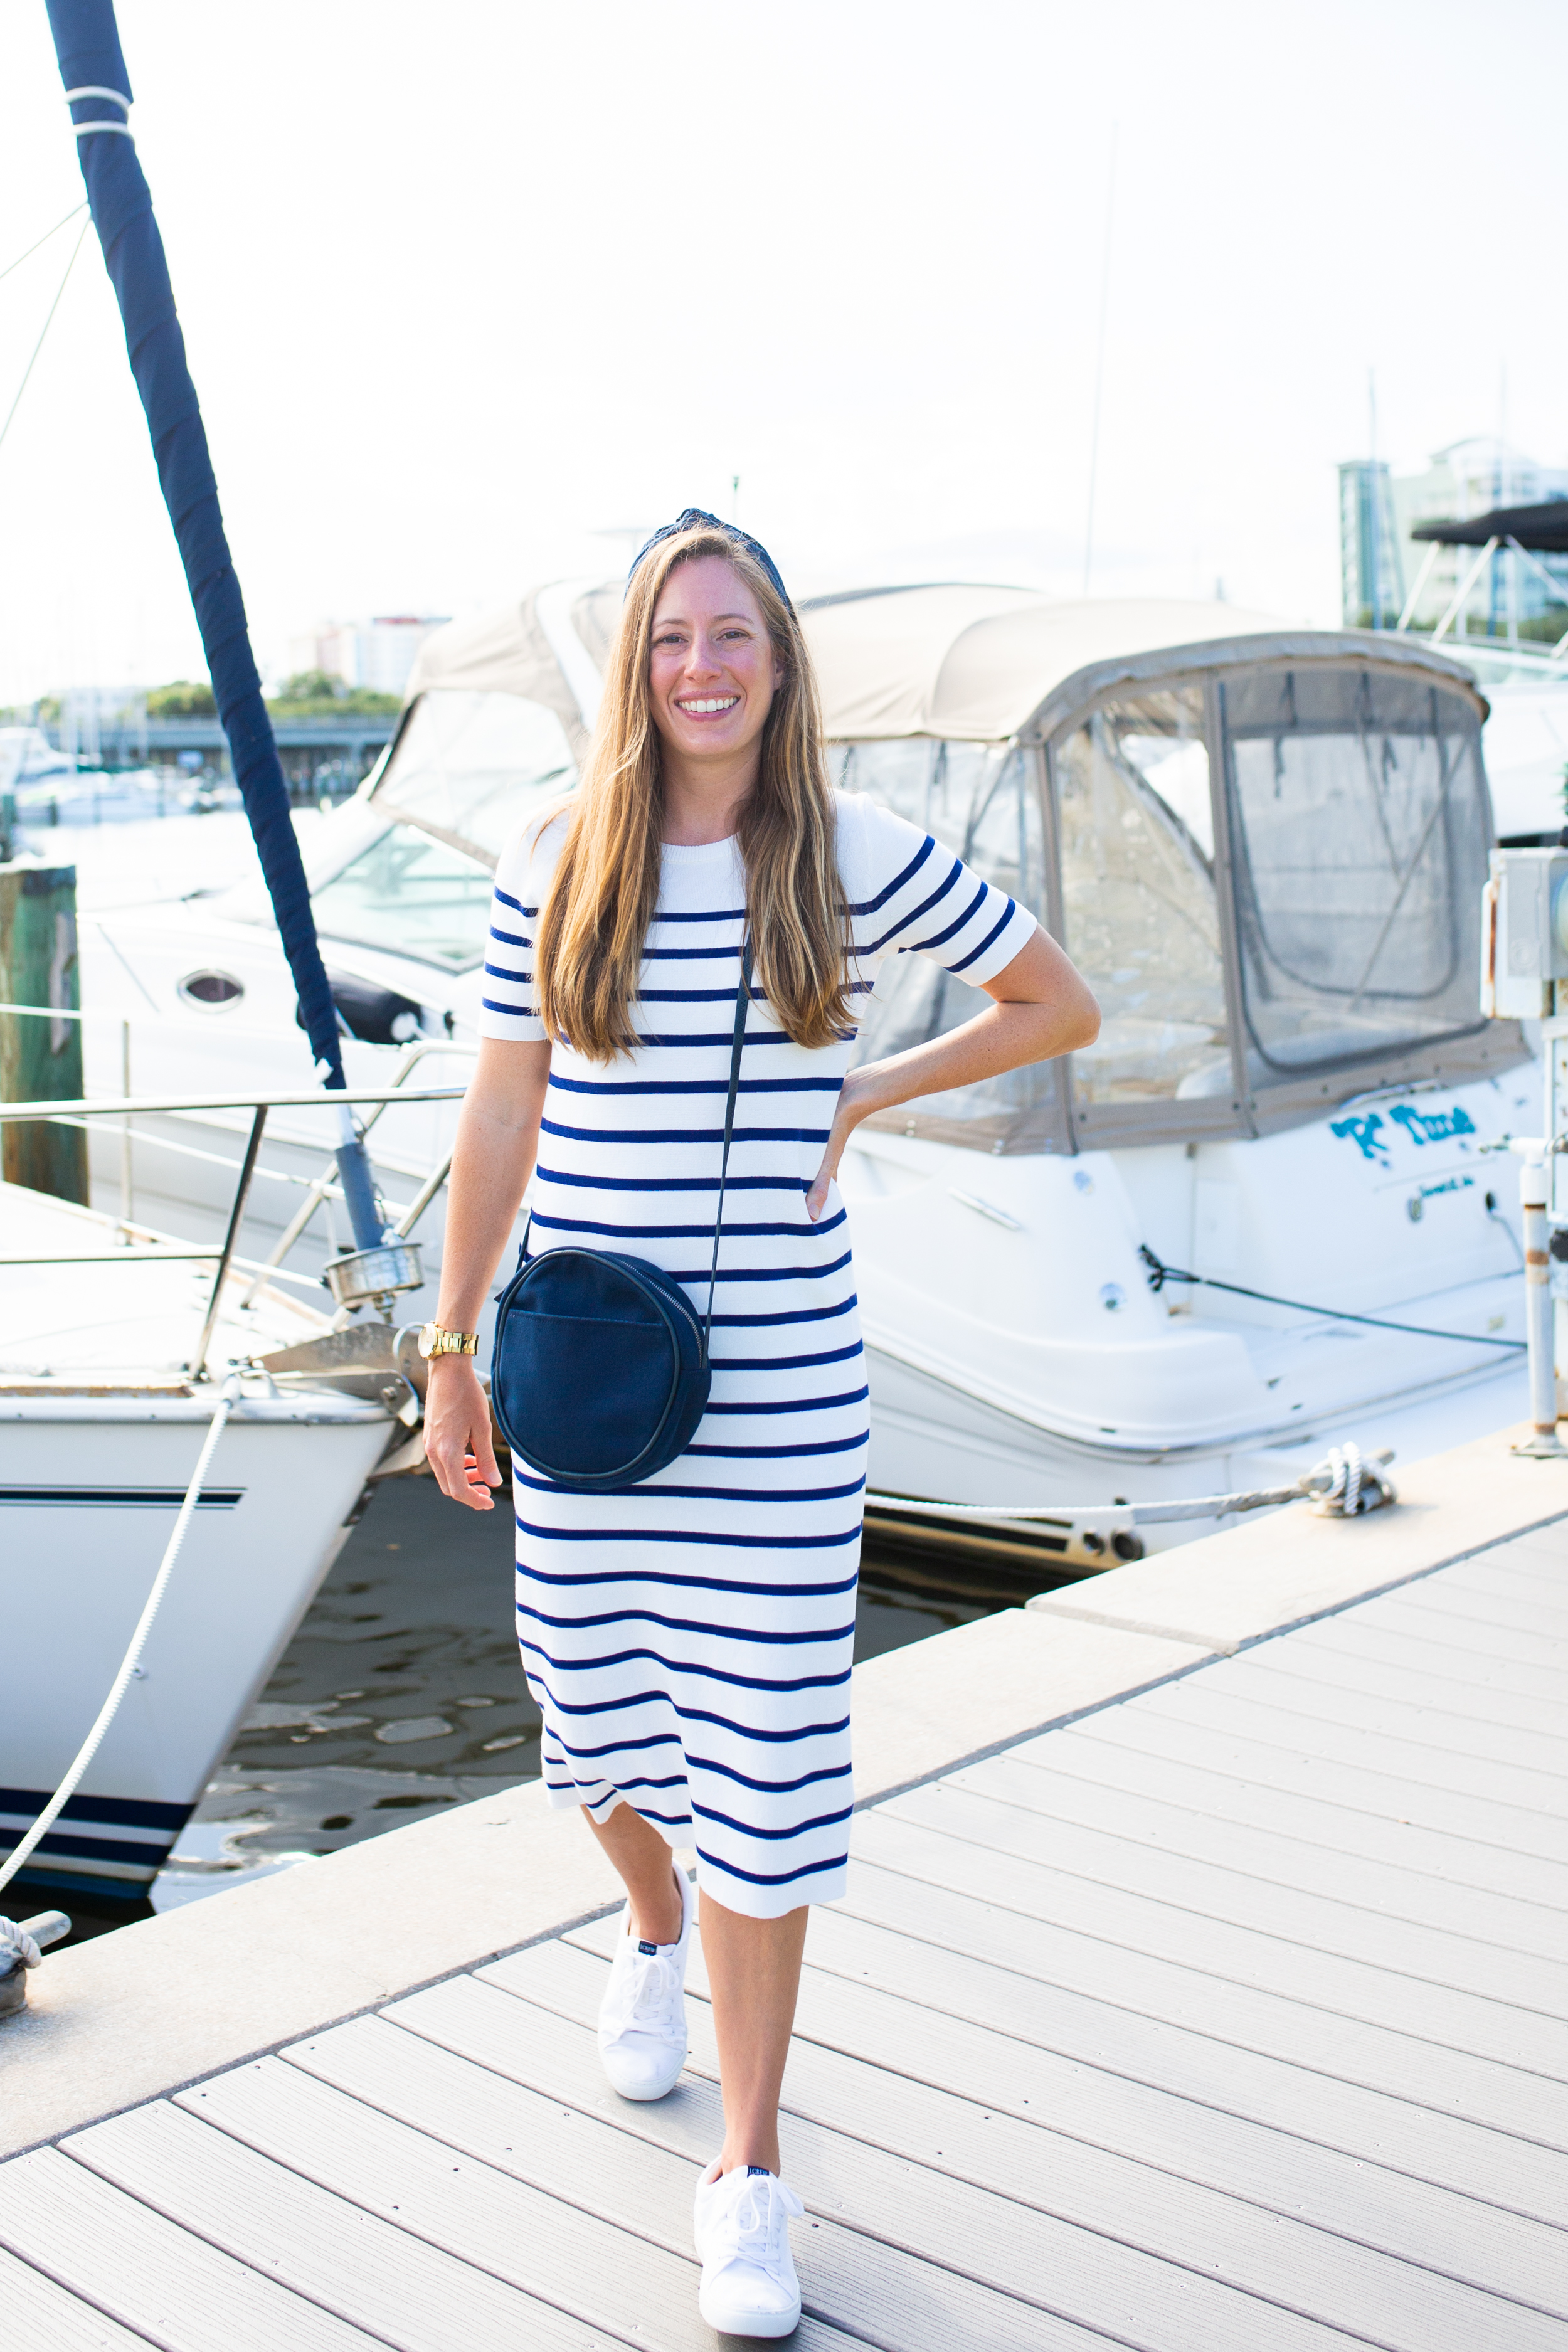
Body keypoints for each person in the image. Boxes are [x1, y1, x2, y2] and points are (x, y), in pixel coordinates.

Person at [424, 512, 1099, 2337]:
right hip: (579, 1377)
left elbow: (1058, 1000)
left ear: (779, 663)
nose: (703, 667)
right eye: (670, 640)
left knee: (772, 1779)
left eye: (733, 635)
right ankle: (648, 1924)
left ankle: (749, 2170)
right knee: (586, 1733)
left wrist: (873, 1088)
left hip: (787, 1401)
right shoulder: (556, 854)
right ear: (635, 671)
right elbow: (495, 1121)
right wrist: (447, 1346)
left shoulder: (854, 854)